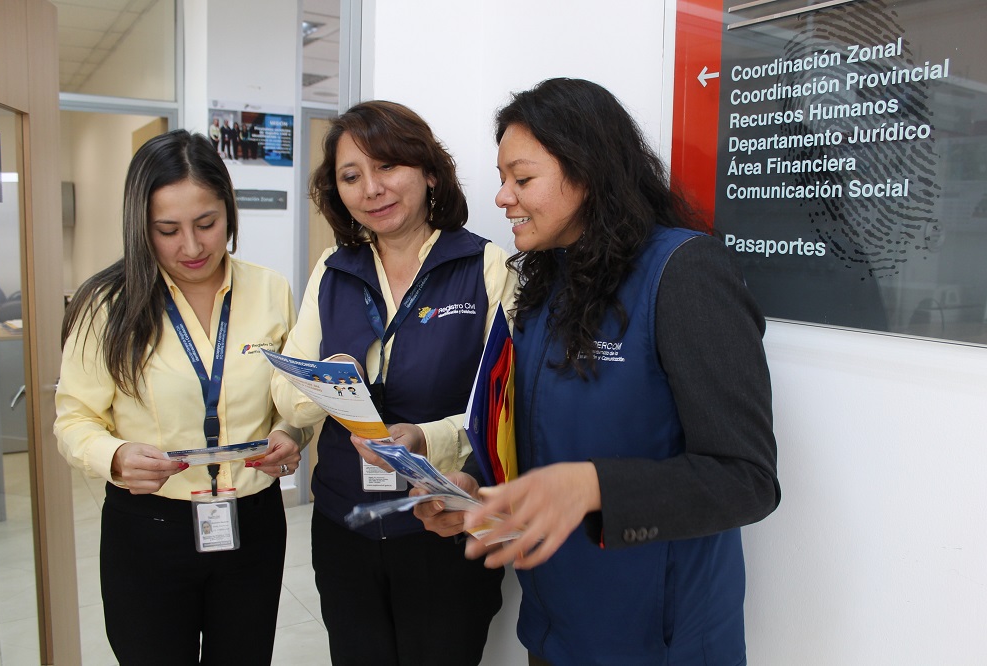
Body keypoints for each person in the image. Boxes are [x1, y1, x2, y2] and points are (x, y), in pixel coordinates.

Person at [415, 78, 780, 665]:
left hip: (658, 640)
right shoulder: (545, 284)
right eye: (503, 178)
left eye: (522, 179)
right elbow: (534, 439)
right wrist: (479, 490)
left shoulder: (684, 273)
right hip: (555, 628)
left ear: (587, 173)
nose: (502, 197)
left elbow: (746, 480)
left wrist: (593, 486)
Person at [270, 100, 517, 666]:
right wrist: (329, 380)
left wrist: (428, 437)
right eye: (351, 176)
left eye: (387, 166)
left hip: (442, 522)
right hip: (345, 525)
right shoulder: (333, 270)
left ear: (429, 171)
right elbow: (288, 398)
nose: (371, 189)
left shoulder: (484, 266)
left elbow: (505, 408)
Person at [55, 129, 308, 665]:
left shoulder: (270, 290)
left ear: (229, 211)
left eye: (206, 224)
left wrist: (292, 433)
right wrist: (115, 456)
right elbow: (74, 418)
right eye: (167, 230)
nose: (191, 247)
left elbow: (293, 398)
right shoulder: (106, 305)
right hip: (149, 527)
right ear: (140, 225)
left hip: (252, 523)